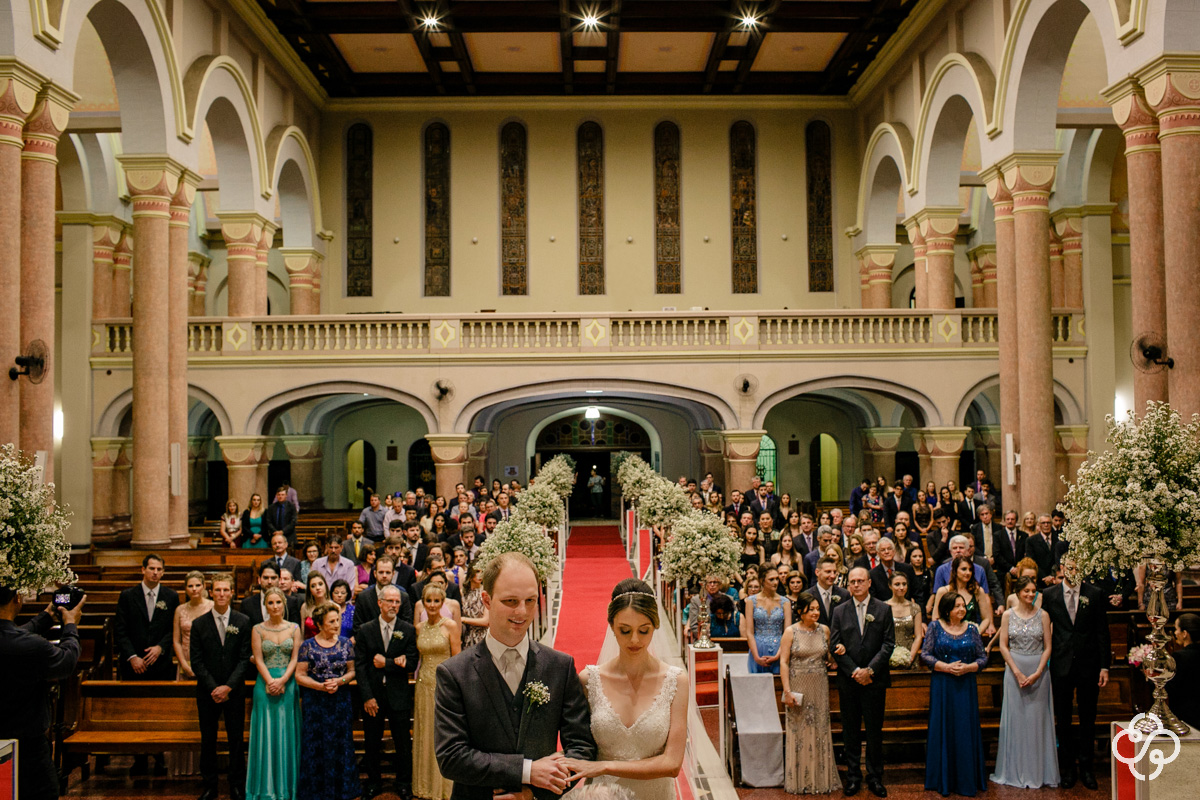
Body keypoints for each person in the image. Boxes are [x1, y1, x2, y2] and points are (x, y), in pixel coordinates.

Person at [434, 552, 597, 800]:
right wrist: (528, 771)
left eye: (530, 600)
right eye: (511, 601)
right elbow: (451, 757)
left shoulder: (559, 666)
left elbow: (582, 747)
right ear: (486, 600)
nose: (522, 612)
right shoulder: (454, 673)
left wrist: (534, 792)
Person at [560, 579, 687, 799]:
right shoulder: (589, 680)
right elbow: (576, 745)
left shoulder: (676, 681)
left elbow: (672, 764)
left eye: (644, 630)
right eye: (625, 630)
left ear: (655, 626)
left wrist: (604, 767)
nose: (635, 640)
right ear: (611, 626)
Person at [0, 585, 83, 800]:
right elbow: (67, 661)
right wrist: (71, 625)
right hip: (27, 744)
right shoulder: (29, 646)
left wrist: (46, 616)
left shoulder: (21, 642)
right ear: (17, 598)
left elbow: (13, 635)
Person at [1042, 557, 1110, 790]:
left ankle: (1087, 768)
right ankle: (1067, 769)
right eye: (1069, 567)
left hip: (1088, 664)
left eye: (1077, 567)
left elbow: (1102, 632)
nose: (1072, 571)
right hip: (1060, 664)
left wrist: (1104, 666)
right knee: (1063, 719)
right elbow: (1044, 629)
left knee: (1087, 717)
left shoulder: (1095, 593)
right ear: (1062, 568)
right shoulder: (1049, 595)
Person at [829, 566, 894, 798]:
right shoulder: (839, 611)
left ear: (868, 583)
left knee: (875, 731)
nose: (856, 584)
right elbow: (835, 645)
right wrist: (855, 670)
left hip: (874, 681)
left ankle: (875, 777)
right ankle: (853, 776)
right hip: (849, 680)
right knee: (851, 731)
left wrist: (870, 670)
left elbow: (888, 644)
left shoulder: (884, 609)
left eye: (860, 581)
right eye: (852, 581)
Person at [991, 575, 1058, 788]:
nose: (1030, 594)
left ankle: (1039, 771)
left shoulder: (1044, 615)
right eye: (1026, 591)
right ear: (1018, 593)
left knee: (1037, 721)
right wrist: (1018, 673)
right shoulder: (1008, 615)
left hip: (1038, 673)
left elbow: (1048, 646)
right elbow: (1003, 646)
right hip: (1014, 671)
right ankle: (1014, 771)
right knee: (1017, 720)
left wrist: (1039, 671)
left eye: (1033, 591)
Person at [190, 573, 253, 800]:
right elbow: (196, 661)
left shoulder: (242, 621)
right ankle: (210, 785)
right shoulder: (199, 624)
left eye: (226, 590)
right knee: (208, 739)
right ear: (210, 592)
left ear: (232, 592)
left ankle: (236, 784)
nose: (222, 594)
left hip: (234, 691)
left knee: (236, 739)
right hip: (207, 692)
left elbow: (245, 659)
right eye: (217, 590)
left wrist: (228, 687)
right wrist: (214, 687)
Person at [356, 584, 420, 800]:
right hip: (373, 695)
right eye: (390, 601)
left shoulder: (408, 629)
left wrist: (388, 663)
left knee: (402, 743)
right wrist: (367, 696)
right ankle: (373, 784)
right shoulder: (365, 629)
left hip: (398, 695)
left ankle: (403, 784)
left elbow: (411, 663)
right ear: (379, 603)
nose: (394, 605)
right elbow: (361, 666)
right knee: (372, 743)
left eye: (397, 602)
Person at [921, 592, 989, 797]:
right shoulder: (934, 627)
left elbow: (983, 657)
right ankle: (942, 778)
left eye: (963, 606)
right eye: (957, 606)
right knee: (944, 727)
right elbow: (925, 654)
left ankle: (966, 778)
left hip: (965, 685)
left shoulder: (972, 629)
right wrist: (945, 667)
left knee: (964, 729)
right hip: (943, 684)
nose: (962, 609)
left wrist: (969, 668)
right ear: (947, 609)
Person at [296, 603, 360, 800]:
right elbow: (300, 675)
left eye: (338, 620)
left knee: (341, 743)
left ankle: (343, 789)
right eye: (331, 621)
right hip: (315, 702)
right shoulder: (307, 645)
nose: (336, 624)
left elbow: (352, 671)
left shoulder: (345, 644)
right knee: (315, 743)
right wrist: (320, 686)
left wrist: (339, 682)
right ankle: (316, 790)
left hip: (340, 701)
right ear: (320, 624)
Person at [779, 592, 840, 794]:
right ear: (800, 611)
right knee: (800, 729)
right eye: (811, 609)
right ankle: (800, 779)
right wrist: (787, 691)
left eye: (817, 609)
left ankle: (820, 779)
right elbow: (784, 662)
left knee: (820, 727)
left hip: (819, 684)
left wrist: (836, 654)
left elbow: (828, 657)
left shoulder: (824, 630)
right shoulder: (790, 632)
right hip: (798, 685)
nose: (815, 612)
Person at [246, 586, 301, 800]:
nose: (275, 606)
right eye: (271, 603)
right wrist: (271, 681)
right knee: (266, 733)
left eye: (278, 602)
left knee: (286, 731)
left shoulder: (294, 628)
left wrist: (284, 680)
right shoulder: (257, 629)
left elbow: (296, 657)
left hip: (288, 684)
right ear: (265, 605)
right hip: (265, 684)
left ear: (284, 604)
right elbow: (258, 659)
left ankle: (288, 788)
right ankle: (264, 789)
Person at [413, 584, 462, 799]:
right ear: (423, 603)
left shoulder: (450, 626)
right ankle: (424, 785)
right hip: (423, 685)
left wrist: (453, 689)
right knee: (425, 732)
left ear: (442, 603)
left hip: (443, 686)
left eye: (436, 601)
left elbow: (457, 659)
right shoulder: (419, 627)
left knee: (442, 733)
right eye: (428, 601)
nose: (432, 605)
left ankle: (444, 787)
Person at [116, 553, 180, 680]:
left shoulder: (171, 596)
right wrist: (132, 656)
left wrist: (160, 647)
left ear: (163, 572)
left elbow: (173, 629)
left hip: (161, 663)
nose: (155, 572)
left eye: (159, 569)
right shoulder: (127, 596)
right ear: (143, 569)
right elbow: (120, 630)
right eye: (152, 568)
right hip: (133, 664)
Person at [932, 556, 995, 636]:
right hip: (947, 637)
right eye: (964, 569)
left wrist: (977, 633)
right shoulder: (943, 591)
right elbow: (936, 618)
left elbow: (986, 618)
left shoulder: (978, 591)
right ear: (955, 571)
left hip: (970, 638)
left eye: (970, 569)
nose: (968, 573)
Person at [746, 565, 791, 675]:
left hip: (779, 648)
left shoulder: (785, 602)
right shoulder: (751, 601)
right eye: (771, 579)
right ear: (762, 581)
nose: (775, 582)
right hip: (758, 648)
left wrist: (778, 655)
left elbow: (788, 632)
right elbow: (749, 632)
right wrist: (756, 657)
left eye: (777, 579)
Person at [354, 555, 415, 630]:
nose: (384, 576)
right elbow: (357, 627)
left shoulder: (403, 596)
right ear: (375, 574)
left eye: (388, 572)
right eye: (381, 572)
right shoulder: (363, 597)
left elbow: (407, 626)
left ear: (393, 574)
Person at [173, 570, 213, 679]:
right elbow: (176, 641)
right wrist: (184, 665)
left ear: (204, 586)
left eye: (198, 585)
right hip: (186, 658)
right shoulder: (180, 610)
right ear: (185, 589)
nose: (194, 589)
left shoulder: (212, 607)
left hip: (208, 659)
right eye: (190, 586)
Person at [241, 561, 302, 626]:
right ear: (259, 580)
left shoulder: (291, 602)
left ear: (279, 580)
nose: (269, 582)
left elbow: (295, 628)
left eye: (273, 578)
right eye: (266, 578)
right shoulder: (247, 604)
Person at [886, 572, 923, 669]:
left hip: (910, 654)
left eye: (904, 584)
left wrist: (910, 657)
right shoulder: (883, 607)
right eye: (897, 584)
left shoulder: (915, 608)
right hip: (888, 654)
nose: (901, 587)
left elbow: (918, 636)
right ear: (890, 586)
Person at [1171, 613, 1200, 729]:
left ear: (1184, 634)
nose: (1175, 633)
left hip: (1185, 717)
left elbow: (1171, 687)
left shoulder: (1179, 657)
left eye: (1176, 629)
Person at [810, 557, 850, 628]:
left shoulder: (844, 594)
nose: (833, 576)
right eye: (828, 572)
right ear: (817, 572)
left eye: (834, 572)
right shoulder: (808, 595)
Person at [459, 562, 489, 649]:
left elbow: (486, 621)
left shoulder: (486, 593)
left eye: (482, 571)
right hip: (466, 636)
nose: (480, 575)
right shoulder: (462, 592)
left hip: (482, 636)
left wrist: (464, 619)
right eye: (477, 571)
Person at [301, 573, 329, 638]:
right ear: (309, 590)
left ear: (326, 586)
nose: (318, 588)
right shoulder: (305, 607)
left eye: (320, 584)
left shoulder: (335, 607)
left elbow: (337, 636)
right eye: (313, 586)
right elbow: (302, 635)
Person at [906, 547, 933, 616]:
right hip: (910, 606)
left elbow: (932, 590)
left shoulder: (928, 572)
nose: (918, 559)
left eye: (920, 556)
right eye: (914, 556)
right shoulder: (905, 574)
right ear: (909, 558)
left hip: (926, 605)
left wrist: (929, 604)